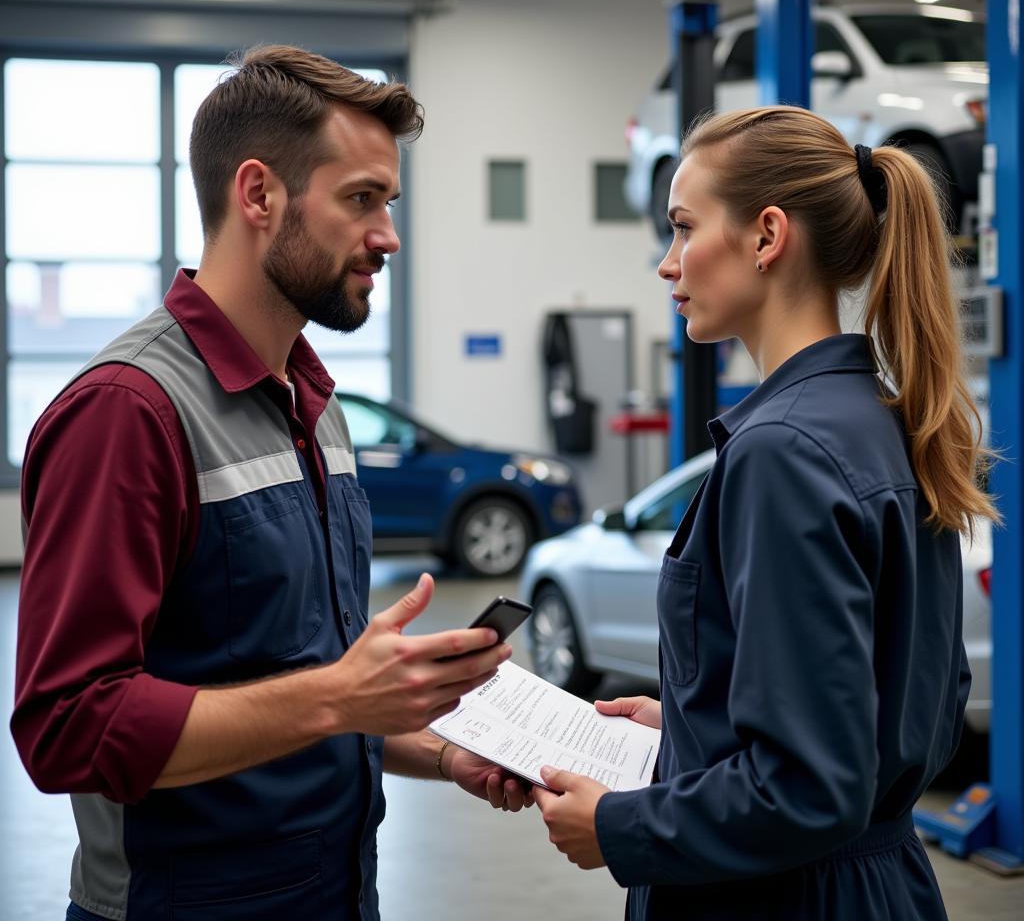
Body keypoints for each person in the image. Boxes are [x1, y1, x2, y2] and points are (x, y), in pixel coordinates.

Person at [11, 45, 531, 921]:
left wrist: (443, 751)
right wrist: (338, 696)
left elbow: (302, 684)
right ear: (259, 195)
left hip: (335, 895)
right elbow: (68, 728)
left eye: (389, 202)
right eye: (361, 199)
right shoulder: (127, 413)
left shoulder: (315, 403)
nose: (388, 235)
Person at [533, 105, 998, 919]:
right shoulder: (882, 420)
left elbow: (806, 788)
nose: (668, 264)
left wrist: (619, 826)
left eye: (683, 228)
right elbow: (905, 708)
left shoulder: (782, 451)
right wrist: (688, 723)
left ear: (766, 236)